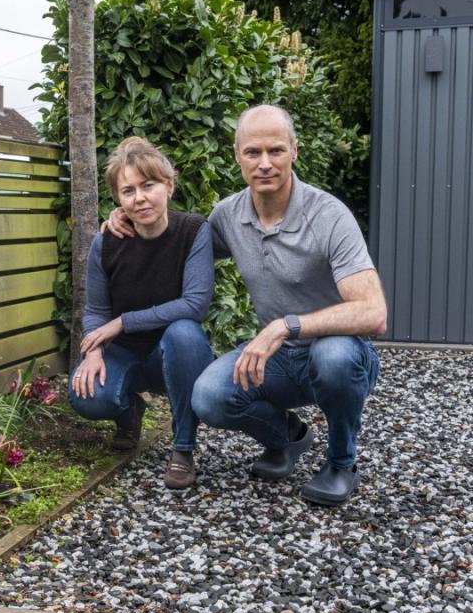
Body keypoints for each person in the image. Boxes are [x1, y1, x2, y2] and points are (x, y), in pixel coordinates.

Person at [105, 105, 386, 505]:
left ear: (295, 152)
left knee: (335, 355)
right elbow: (179, 243)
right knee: (209, 396)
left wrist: (285, 325)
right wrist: (129, 218)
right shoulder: (227, 215)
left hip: (340, 350)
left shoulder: (329, 216)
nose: (265, 163)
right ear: (238, 156)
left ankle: (342, 463)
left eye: (276, 151)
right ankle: (287, 438)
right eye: (253, 152)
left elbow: (374, 313)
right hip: (280, 360)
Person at [70, 136, 214, 489]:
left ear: (169, 186)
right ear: (118, 199)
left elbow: (195, 303)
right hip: (125, 353)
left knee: (183, 330)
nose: (139, 198)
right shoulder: (106, 242)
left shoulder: (194, 231)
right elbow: (97, 310)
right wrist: (93, 351)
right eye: (128, 191)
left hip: (176, 354)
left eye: (148, 186)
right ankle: (129, 411)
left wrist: (122, 322)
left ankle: (183, 447)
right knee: (86, 394)